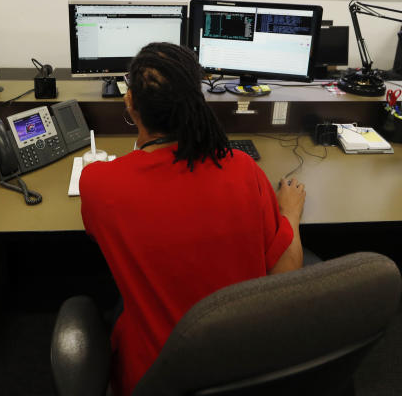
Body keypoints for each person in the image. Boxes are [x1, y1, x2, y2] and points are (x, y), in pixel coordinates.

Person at [79, 42, 306, 396]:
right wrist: (289, 212)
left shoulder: (98, 184)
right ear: (196, 102)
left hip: (157, 378)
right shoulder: (243, 169)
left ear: (130, 104)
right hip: (243, 371)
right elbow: (287, 274)